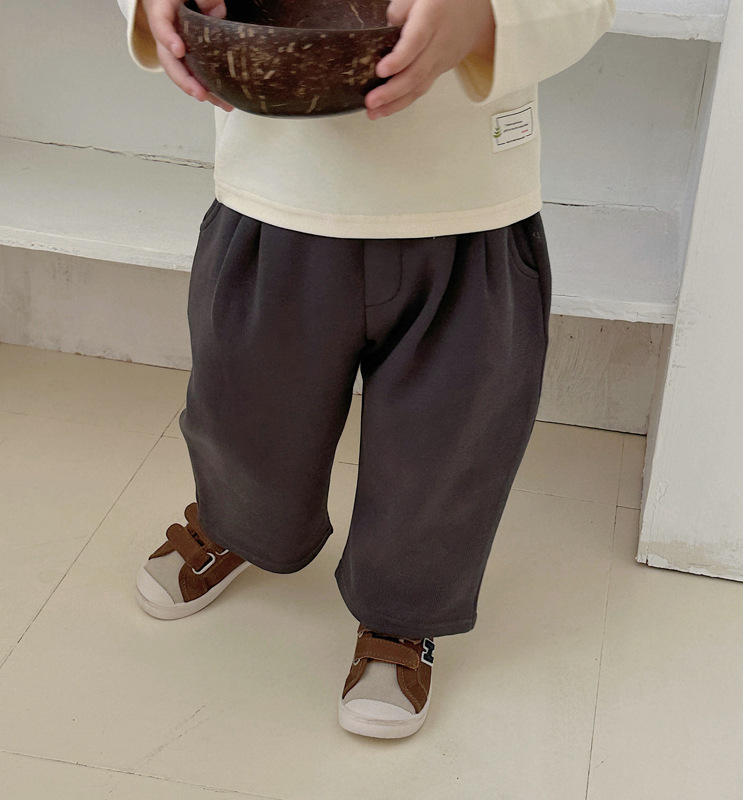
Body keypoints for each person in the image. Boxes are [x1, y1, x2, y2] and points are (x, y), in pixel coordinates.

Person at [116, 0, 615, 739]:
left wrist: (484, 18)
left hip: (465, 203)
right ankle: (236, 523)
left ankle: (402, 613)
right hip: (277, 187)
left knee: (444, 447)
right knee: (245, 409)